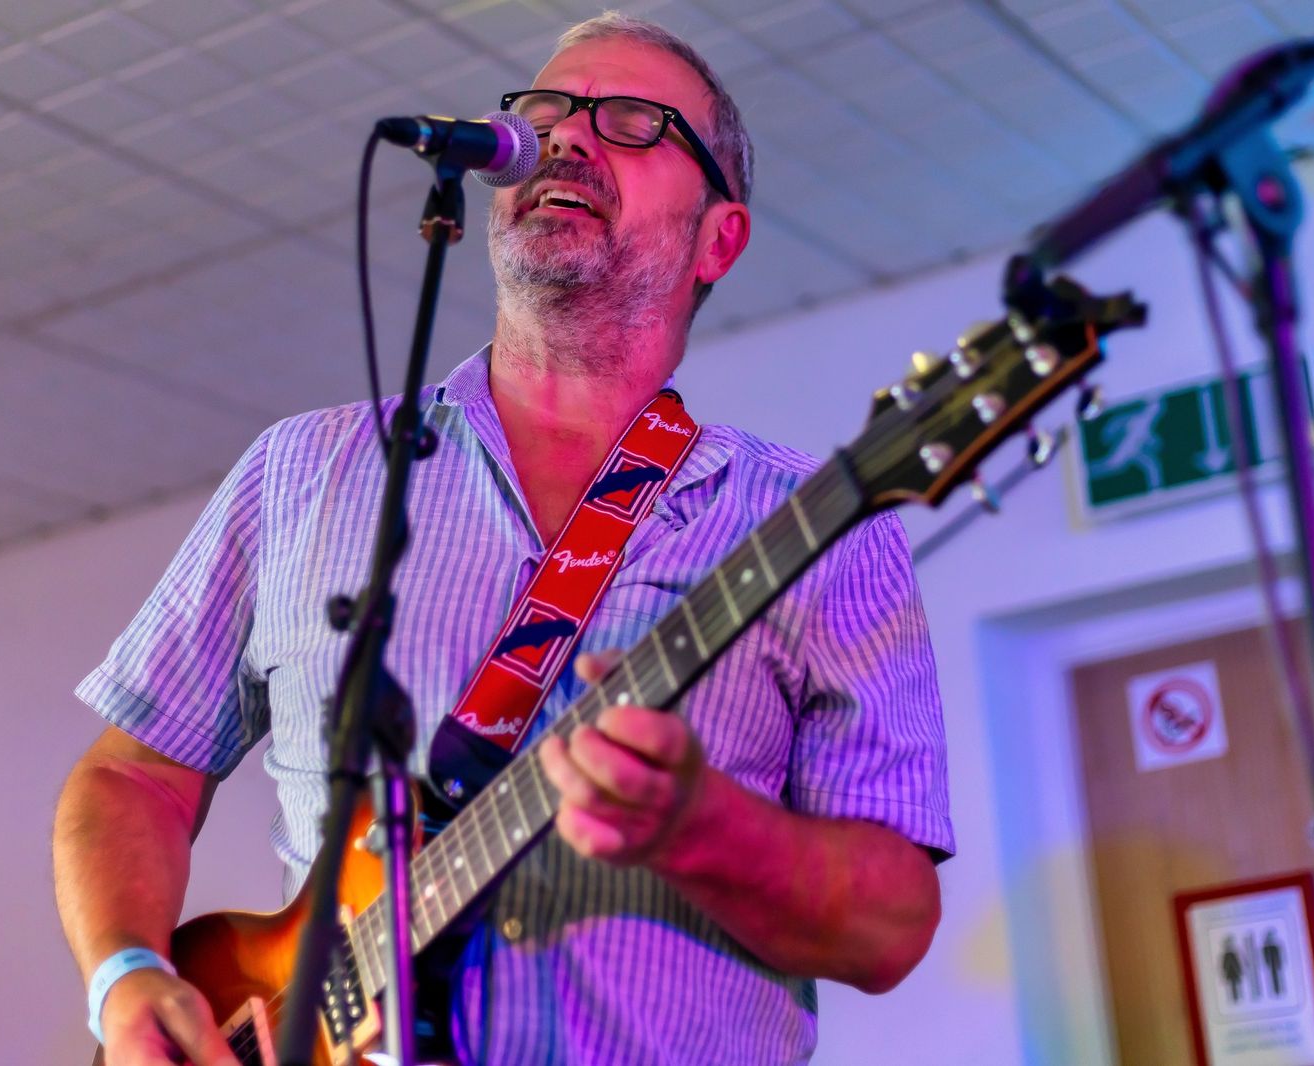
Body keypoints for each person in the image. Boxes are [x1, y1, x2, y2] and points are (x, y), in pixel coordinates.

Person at [53, 13, 953, 1065]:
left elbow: (889, 927)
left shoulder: (813, 523)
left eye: (633, 120)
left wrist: (701, 827)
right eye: (545, 109)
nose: (566, 135)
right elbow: (134, 778)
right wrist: (124, 975)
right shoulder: (301, 470)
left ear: (719, 237)